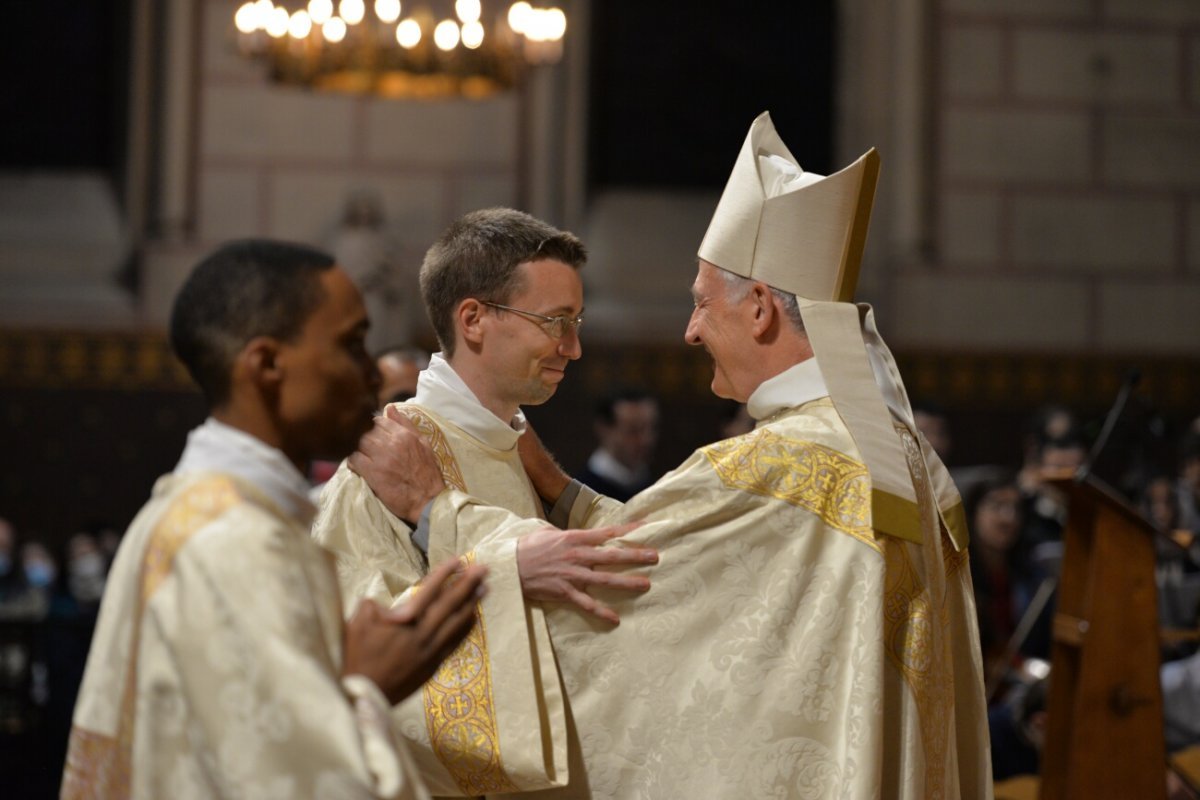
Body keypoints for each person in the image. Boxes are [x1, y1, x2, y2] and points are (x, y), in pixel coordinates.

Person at [348, 113, 992, 798]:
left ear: (762, 310)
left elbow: (614, 595)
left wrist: (435, 509)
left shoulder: (772, 469)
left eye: (701, 304)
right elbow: (679, 551)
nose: (688, 332)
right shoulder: (901, 456)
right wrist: (560, 489)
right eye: (555, 324)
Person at [60, 239, 486, 799]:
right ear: (265, 365)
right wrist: (367, 688)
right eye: (352, 344)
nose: (369, 374)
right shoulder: (235, 541)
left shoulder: (201, 510)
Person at [313, 209, 655, 796]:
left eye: (576, 321)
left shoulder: (509, 448)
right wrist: (508, 571)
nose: (573, 347)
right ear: (473, 319)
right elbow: (354, 671)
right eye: (555, 321)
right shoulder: (392, 454)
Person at [575, 388, 660, 501]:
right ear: (604, 428)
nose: (645, 440)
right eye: (633, 430)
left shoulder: (654, 487)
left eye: (650, 428)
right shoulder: (583, 492)